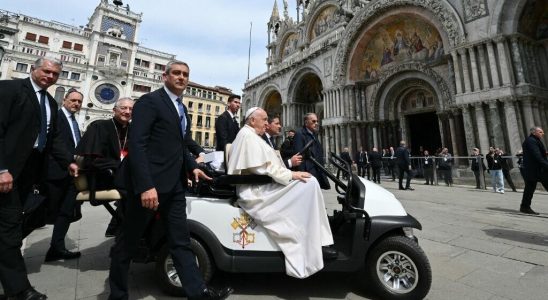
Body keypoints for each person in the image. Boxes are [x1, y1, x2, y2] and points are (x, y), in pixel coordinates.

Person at [107, 60, 232, 300]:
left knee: (180, 241)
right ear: (165, 76)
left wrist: (193, 167)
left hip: (174, 187)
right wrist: (146, 186)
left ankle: (199, 293)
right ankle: (118, 295)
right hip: (147, 187)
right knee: (128, 244)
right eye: (176, 73)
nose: (182, 77)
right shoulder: (149, 102)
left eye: (185, 74)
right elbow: (137, 145)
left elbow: (180, 146)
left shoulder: (181, 109)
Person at [0, 57, 78, 300]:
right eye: (46, 71)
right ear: (33, 69)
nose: (50, 76)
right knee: (9, 229)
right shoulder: (10, 89)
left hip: (30, 175)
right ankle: (19, 290)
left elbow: (53, 139)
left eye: (55, 74)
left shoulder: (50, 104)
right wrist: (1, 169)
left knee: (31, 217)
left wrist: (69, 162)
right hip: (8, 172)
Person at [227, 107, 335, 279]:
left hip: (260, 185)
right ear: (252, 120)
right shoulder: (247, 136)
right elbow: (264, 168)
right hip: (255, 192)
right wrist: (291, 174)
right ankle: (313, 240)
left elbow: (267, 166)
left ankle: (318, 239)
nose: (266, 123)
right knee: (309, 183)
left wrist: (290, 173)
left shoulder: (251, 136)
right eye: (264, 120)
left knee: (310, 182)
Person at [76, 97, 135, 237]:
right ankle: (129, 231)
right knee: (137, 189)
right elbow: (92, 161)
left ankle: (119, 227)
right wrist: (119, 166)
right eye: (123, 108)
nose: (127, 112)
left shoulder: (133, 130)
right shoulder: (100, 127)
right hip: (102, 177)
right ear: (114, 110)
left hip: (123, 176)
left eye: (131, 109)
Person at [44, 89, 83, 262]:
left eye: (79, 101)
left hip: (71, 176)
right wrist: (69, 162)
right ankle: (9, 250)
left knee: (66, 213)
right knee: (40, 214)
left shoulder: (74, 121)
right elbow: (56, 144)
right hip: (56, 173)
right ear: (64, 100)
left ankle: (56, 248)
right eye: (73, 100)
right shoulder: (57, 118)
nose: (76, 104)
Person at [294, 113, 330, 189]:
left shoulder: (314, 134)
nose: (316, 123)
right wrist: (302, 174)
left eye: (317, 121)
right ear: (306, 122)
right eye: (313, 121)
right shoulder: (300, 134)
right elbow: (299, 156)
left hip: (317, 170)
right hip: (308, 172)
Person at [519, 126, 548, 215]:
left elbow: (536, 153)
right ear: (534, 132)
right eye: (540, 132)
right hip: (537, 169)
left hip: (533, 169)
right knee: (529, 188)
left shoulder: (533, 140)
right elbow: (536, 155)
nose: (542, 134)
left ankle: (524, 207)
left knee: (529, 188)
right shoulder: (531, 141)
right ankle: (524, 207)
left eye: (542, 132)